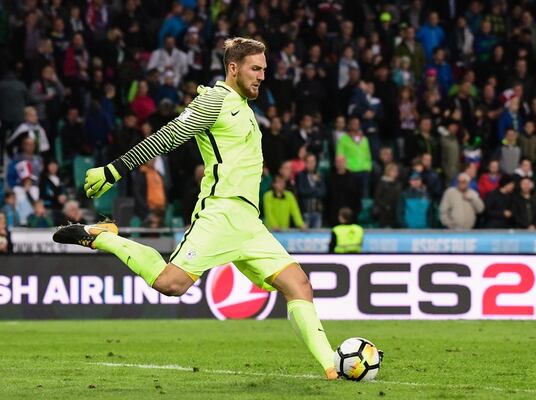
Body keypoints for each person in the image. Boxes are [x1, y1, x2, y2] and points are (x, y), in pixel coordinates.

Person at [53, 38, 340, 380]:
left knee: (299, 284)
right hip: (219, 214)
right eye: (256, 68)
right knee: (170, 284)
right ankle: (104, 237)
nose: (263, 75)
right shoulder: (215, 100)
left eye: (264, 69)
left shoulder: (243, 106)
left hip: (249, 222)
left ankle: (332, 366)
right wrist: (114, 170)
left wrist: (235, 44)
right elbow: (169, 136)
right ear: (233, 68)